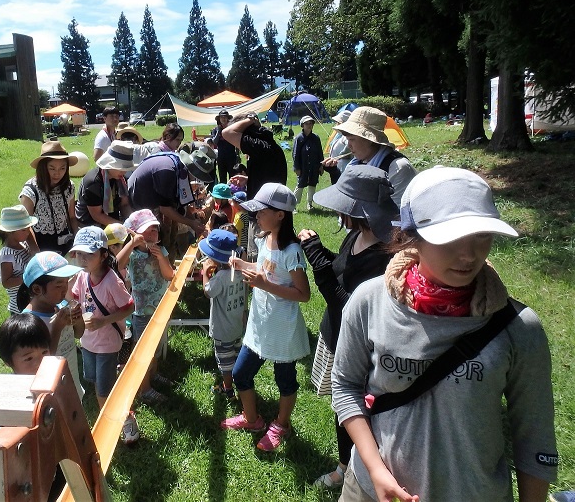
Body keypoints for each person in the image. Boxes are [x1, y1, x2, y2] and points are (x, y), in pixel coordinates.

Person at [332, 167, 558, 502]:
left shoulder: (519, 327)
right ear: (413, 234)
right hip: (370, 491)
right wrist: (376, 470)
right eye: (450, 237)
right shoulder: (369, 302)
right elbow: (346, 384)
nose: (469, 255)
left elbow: (535, 436)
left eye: (482, 235)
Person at [297, 165, 398, 490]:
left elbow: (349, 303)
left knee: (356, 407)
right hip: (336, 334)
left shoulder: (385, 255)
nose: (338, 209)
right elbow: (342, 270)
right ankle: (346, 464)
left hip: (357, 343)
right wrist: (320, 251)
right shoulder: (357, 235)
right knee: (342, 405)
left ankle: (356, 469)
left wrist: (316, 259)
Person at [222, 183, 311, 452]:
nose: (256, 216)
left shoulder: (291, 251)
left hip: (281, 325)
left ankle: (282, 424)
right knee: (240, 373)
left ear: (281, 214)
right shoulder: (264, 238)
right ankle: (252, 419)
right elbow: (263, 270)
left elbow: (303, 294)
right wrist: (242, 265)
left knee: (285, 378)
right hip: (260, 322)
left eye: (262, 211)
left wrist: (264, 285)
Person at [67, 227, 139, 444]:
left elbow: (129, 307)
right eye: (79, 254)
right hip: (88, 341)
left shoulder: (111, 281)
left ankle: (117, 423)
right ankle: (115, 416)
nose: (82, 258)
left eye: (88, 254)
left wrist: (103, 321)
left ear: (103, 255)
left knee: (103, 391)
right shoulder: (81, 276)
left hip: (107, 343)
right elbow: (75, 298)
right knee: (97, 382)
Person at [116, 209, 175, 406]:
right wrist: (132, 243)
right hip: (141, 311)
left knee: (155, 345)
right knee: (142, 351)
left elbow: (169, 275)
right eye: (145, 232)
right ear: (135, 234)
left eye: (154, 231)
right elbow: (117, 265)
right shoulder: (132, 255)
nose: (151, 235)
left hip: (160, 307)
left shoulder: (162, 252)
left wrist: (160, 258)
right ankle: (144, 388)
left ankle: (153, 374)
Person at [22, 251, 85, 400]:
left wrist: (78, 320)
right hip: (52, 390)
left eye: (66, 282)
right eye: (58, 285)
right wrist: (57, 327)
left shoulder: (62, 305)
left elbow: (79, 334)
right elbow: (43, 363)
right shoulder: (29, 322)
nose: (65, 290)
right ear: (37, 289)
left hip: (71, 377)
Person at [127, 147, 212, 248]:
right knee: (151, 241)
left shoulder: (179, 167)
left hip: (152, 200)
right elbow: (165, 208)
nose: (195, 179)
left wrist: (193, 221)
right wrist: (191, 223)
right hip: (139, 201)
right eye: (197, 176)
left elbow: (182, 203)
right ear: (192, 171)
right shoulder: (168, 171)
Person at [332, 107, 416, 207]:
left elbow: (399, 215)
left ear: (369, 140)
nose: (348, 146)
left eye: (352, 140)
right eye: (347, 140)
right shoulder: (355, 164)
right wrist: (333, 172)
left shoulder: (397, 168)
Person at [199, 230, 246, 400]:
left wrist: (205, 274)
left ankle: (228, 389)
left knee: (225, 363)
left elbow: (208, 292)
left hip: (221, 329)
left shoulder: (219, 278)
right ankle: (240, 383)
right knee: (235, 354)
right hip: (237, 324)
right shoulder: (240, 271)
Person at [19, 140, 79, 254]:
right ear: (43, 167)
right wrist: (36, 253)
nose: (57, 173)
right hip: (39, 244)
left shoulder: (69, 186)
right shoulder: (31, 191)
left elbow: (72, 217)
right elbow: (26, 226)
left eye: (62, 168)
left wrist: (77, 240)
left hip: (65, 242)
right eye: (52, 168)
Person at [221, 112, 287, 200]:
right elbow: (267, 177)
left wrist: (251, 119)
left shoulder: (258, 146)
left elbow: (226, 133)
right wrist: (249, 180)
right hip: (268, 204)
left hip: (267, 209)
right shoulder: (265, 145)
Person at [75, 140, 136, 227]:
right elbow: (97, 215)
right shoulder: (93, 183)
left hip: (112, 221)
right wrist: (124, 226)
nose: (124, 171)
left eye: (126, 168)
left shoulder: (120, 179)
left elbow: (124, 204)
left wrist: (132, 222)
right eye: (120, 167)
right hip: (89, 224)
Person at [0, 205, 39, 315]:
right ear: (10, 232)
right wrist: (28, 278)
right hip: (19, 306)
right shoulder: (7, 254)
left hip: (31, 301)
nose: (28, 232)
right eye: (24, 230)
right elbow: (6, 282)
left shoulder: (24, 245)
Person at [292, 115, 324, 210]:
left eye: (311, 123)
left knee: (312, 184)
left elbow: (320, 153)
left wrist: (321, 165)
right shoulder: (299, 138)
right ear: (302, 125)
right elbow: (295, 154)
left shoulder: (316, 138)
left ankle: (310, 204)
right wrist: (297, 168)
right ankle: (293, 206)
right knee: (300, 185)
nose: (309, 125)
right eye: (307, 124)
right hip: (303, 166)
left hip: (314, 166)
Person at [322, 109, 353, 185]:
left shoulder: (347, 137)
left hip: (343, 169)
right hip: (336, 168)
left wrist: (339, 156)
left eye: (339, 122)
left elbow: (349, 148)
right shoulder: (340, 135)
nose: (337, 124)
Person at [211, 110, 239, 183]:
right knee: (222, 177)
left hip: (231, 156)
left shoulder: (232, 128)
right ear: (219, 119)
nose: (223, 119)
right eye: (221, 117)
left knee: (232, 176)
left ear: (228, 118)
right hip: (221, 157)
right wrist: (219, 132)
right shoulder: (215, 129)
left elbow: (237, 141)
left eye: (225, 117)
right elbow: (214, 142)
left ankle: (232, 191)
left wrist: (238, 154)